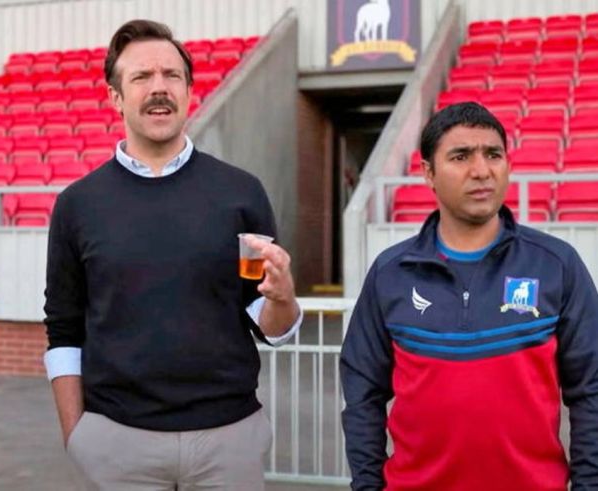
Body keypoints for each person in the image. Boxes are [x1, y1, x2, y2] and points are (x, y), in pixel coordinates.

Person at [44, 19, 302, 491]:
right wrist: (76, 433)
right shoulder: (78, 204)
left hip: (228, 439)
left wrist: (284, 300)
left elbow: (267, 319)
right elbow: (63, 327)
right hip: (117, 441)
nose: (158, 88)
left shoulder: (241, 193)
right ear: (115, 97)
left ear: (189, 90)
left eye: (171, 76)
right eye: (141, 77)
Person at [340, 102, 598, 490]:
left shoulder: (556, 265)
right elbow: (362, 392)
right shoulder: (391, 272)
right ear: (428, 173)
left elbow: (591, 390)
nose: (481, 170)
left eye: (493, 154)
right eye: (460, 156)